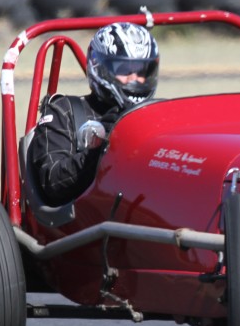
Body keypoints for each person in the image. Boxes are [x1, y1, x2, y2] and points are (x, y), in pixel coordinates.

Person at [28, 21, 160, 205]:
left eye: (142, 71)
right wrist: (100, 147)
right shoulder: (65, 111)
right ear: (100, 68)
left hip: (145, 209)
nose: (135, 79)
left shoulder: (156, 115)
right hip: (84, 222)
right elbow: (53, 183)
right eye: (124, 70)